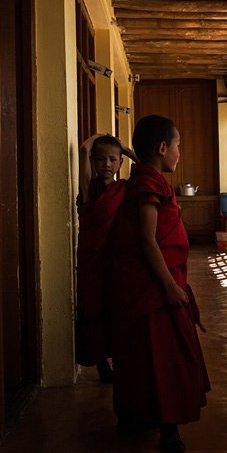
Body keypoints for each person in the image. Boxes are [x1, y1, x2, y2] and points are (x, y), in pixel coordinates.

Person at [109, 114, 210, 453]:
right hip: (154, 285)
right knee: (163, 357)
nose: (180, 153)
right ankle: (168, 427)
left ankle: (138, 416)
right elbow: (148, 240)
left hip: (158, 281)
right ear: (163, 147)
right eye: (178, 145)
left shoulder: (148, 177)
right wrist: (168, 286)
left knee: (149, 354)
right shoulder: (146, 186)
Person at [75, 134, 135, 383]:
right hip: (91, 259)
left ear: (121, 163)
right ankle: (101, 362)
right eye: (100, 160)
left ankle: (120, 359)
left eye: (112, 160)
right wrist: (97, 138)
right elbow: (83, 149)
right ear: (93, 162)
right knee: (93, 309)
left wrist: (126, 149)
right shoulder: (89, 188)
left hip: (117, 257)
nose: (107, 165)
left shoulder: (124, 189)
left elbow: (144, 166)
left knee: (117, 309)